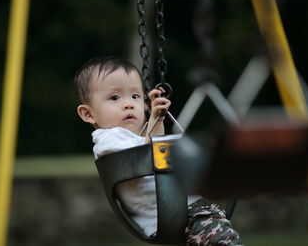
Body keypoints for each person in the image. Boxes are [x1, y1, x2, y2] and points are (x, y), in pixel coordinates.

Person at [74, 56, 243, 245]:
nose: (128, 104)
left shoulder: (133, 138)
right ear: (88, 114)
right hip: (178, 215)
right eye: (115, 97)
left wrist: (158, 119)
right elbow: (144, 154)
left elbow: (155, 147)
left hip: (184, 210)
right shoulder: (108, 139)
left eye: (135, 96)